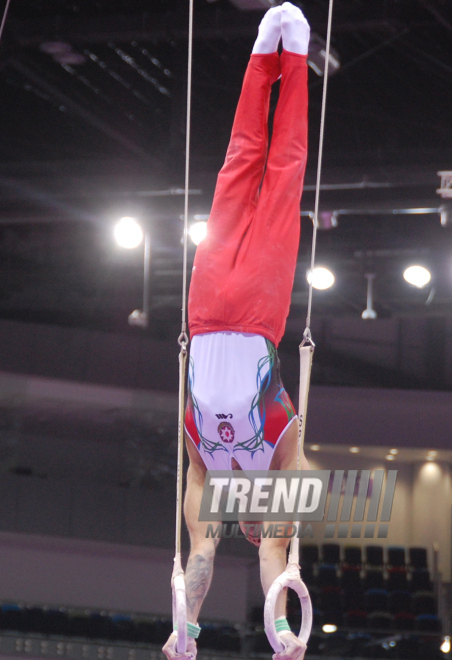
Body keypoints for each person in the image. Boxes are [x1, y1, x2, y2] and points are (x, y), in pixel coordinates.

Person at [163, 4, 310, 659]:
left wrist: (184, 628)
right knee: (281, 179)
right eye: (259, 531)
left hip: (206, 309)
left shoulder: (204, 470)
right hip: (255, 316)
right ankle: (295, 56)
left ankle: (262, 54)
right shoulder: (280, 455)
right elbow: (277, 557)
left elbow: (199, 554)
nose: (255, 529)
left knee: (237, 169)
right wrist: (280, 634)